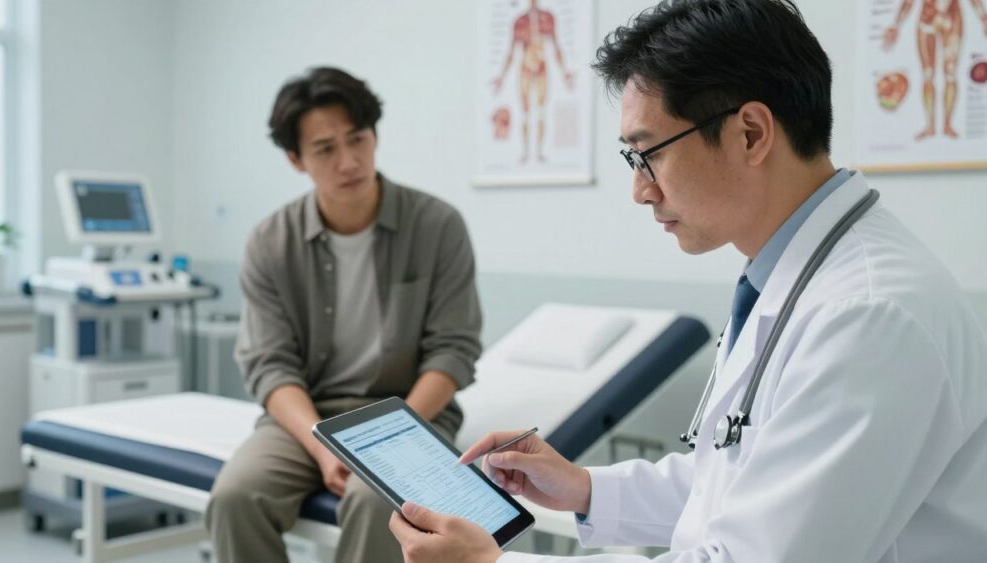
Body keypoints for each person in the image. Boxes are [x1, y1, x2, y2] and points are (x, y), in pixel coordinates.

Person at [388, 1, 987, 561]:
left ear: (750, 133)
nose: (640, 189)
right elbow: (737, 477)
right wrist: (582, 487)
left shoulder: (867, 315)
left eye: (648, 153)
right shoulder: (790, 277)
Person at [204, 67, 483, 563]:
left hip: (409, 414)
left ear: (374, 134)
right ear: (295, 159)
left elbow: (453, 350)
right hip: (309, 418)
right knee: (235, 497)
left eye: (357, 139)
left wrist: (386, 439)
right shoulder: (271, 242)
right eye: (325, 149)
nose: (349, 161)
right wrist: (320, 446)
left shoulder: (437, 225)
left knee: (378, 502)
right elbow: (270, 365)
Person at [882, 0, 987, 139]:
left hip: (951, 18)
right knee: (928, 74)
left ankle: (947, 124)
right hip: (927, 19)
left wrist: (983, 17)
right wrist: (896, 25)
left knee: (950, 73)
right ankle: (930, 126)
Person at [492, 0, 576, 163]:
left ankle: (538, 152)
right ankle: (525, 152)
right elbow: (511, 51)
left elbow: (556, 45)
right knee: (525, 113)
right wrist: (501, 77)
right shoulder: (520, 21)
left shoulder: (548, 17)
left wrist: (565, 72)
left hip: (541, 67)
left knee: (541, 112)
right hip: (525, 68)